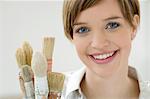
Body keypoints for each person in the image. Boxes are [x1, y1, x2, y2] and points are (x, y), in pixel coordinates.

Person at [61, 0, 150, 99]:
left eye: (112, 25)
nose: (98, 44)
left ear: (133, 26)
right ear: (71, 36)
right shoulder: (49, 93)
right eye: (83, 29)